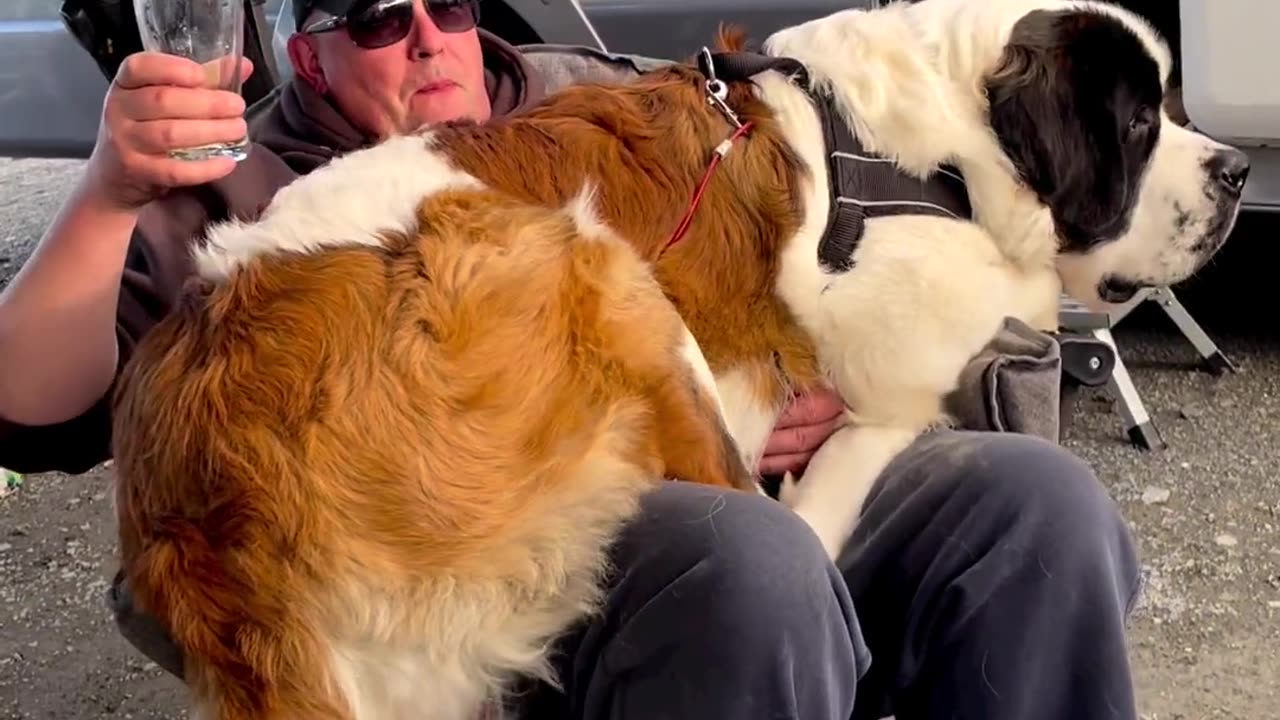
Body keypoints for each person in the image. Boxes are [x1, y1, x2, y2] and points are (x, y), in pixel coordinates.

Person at [0, 0, 1144, 718]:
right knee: (745, 562)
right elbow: (31, 414)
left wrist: (839, 385)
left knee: (1031, 499)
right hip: (491, 529)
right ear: (307, 52)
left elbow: (820, 255)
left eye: (447, 4)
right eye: (382, 20)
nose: (431, 39)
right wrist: (108, 192)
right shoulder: (243, 188)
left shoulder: (594, 92)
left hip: (763, 464)